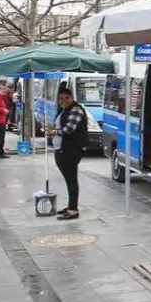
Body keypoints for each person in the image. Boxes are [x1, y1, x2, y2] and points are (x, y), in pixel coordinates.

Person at [47, 87, 88, 221]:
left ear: (71, 98)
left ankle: (73, 209)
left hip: (70, 150)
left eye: (66, 98)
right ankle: (71, 206)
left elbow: (69, 129)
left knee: (71, 181)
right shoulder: (65, 110)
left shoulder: (75, 109)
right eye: (60, 98)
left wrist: (53, 132)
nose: (63, 101)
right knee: (70, 180)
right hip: (63, 149)